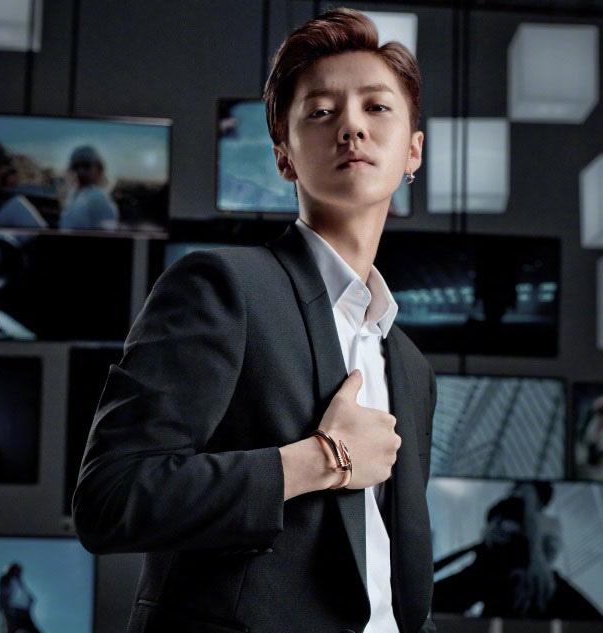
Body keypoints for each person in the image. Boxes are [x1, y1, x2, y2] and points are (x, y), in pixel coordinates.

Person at [72, 8, 435, 633]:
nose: (351, 126)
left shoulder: (411, 366)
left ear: (413, 151)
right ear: (284, 156)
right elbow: (111, 498)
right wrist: (323, 460)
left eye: (377, 107)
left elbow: (394, 572)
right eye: (320, 112)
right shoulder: (221, 287)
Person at [432, 483, 603, 620]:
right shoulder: (503, 517)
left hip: (518, 574)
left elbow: (547, 550)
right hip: (491, 571)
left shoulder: (543, 523)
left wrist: (535, 564)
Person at [58, 145, 119, 231]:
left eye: (86, 166)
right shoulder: (75, 197)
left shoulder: (98, 198)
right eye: (76, 166)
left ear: (99, 169)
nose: (80, 171)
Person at [0, 562, 42, 633]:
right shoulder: (6, 579)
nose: (18, 573)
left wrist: (30, 600)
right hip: (12, 611)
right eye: (17, 570)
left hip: (24, 612)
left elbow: (25, 594)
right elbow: (3, 594)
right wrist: (5, 610)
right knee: (10, 629)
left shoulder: (20, 582)